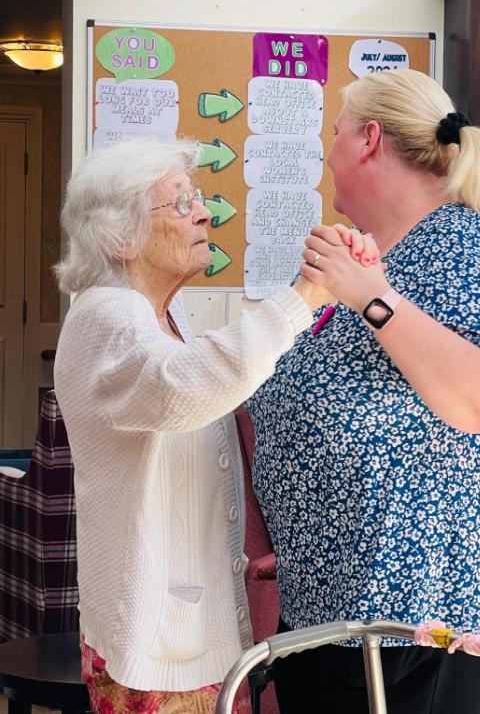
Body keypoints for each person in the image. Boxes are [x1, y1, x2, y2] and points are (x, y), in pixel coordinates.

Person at [245, 69, 480, 714]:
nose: (329, 149)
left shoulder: (463, 245)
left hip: (416, 598)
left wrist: (367, 295)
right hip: (341, 589)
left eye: (337, 132)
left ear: (370, 138)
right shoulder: (385, 255)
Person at [53, 136, 372, 714]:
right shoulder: (106, 313)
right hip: (157, 640)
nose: (202, 211)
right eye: (178, 203)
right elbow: (184, 387)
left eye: (195, 197)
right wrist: (305, 296)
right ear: (120, 237)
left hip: (184, 636)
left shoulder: (159, 314)